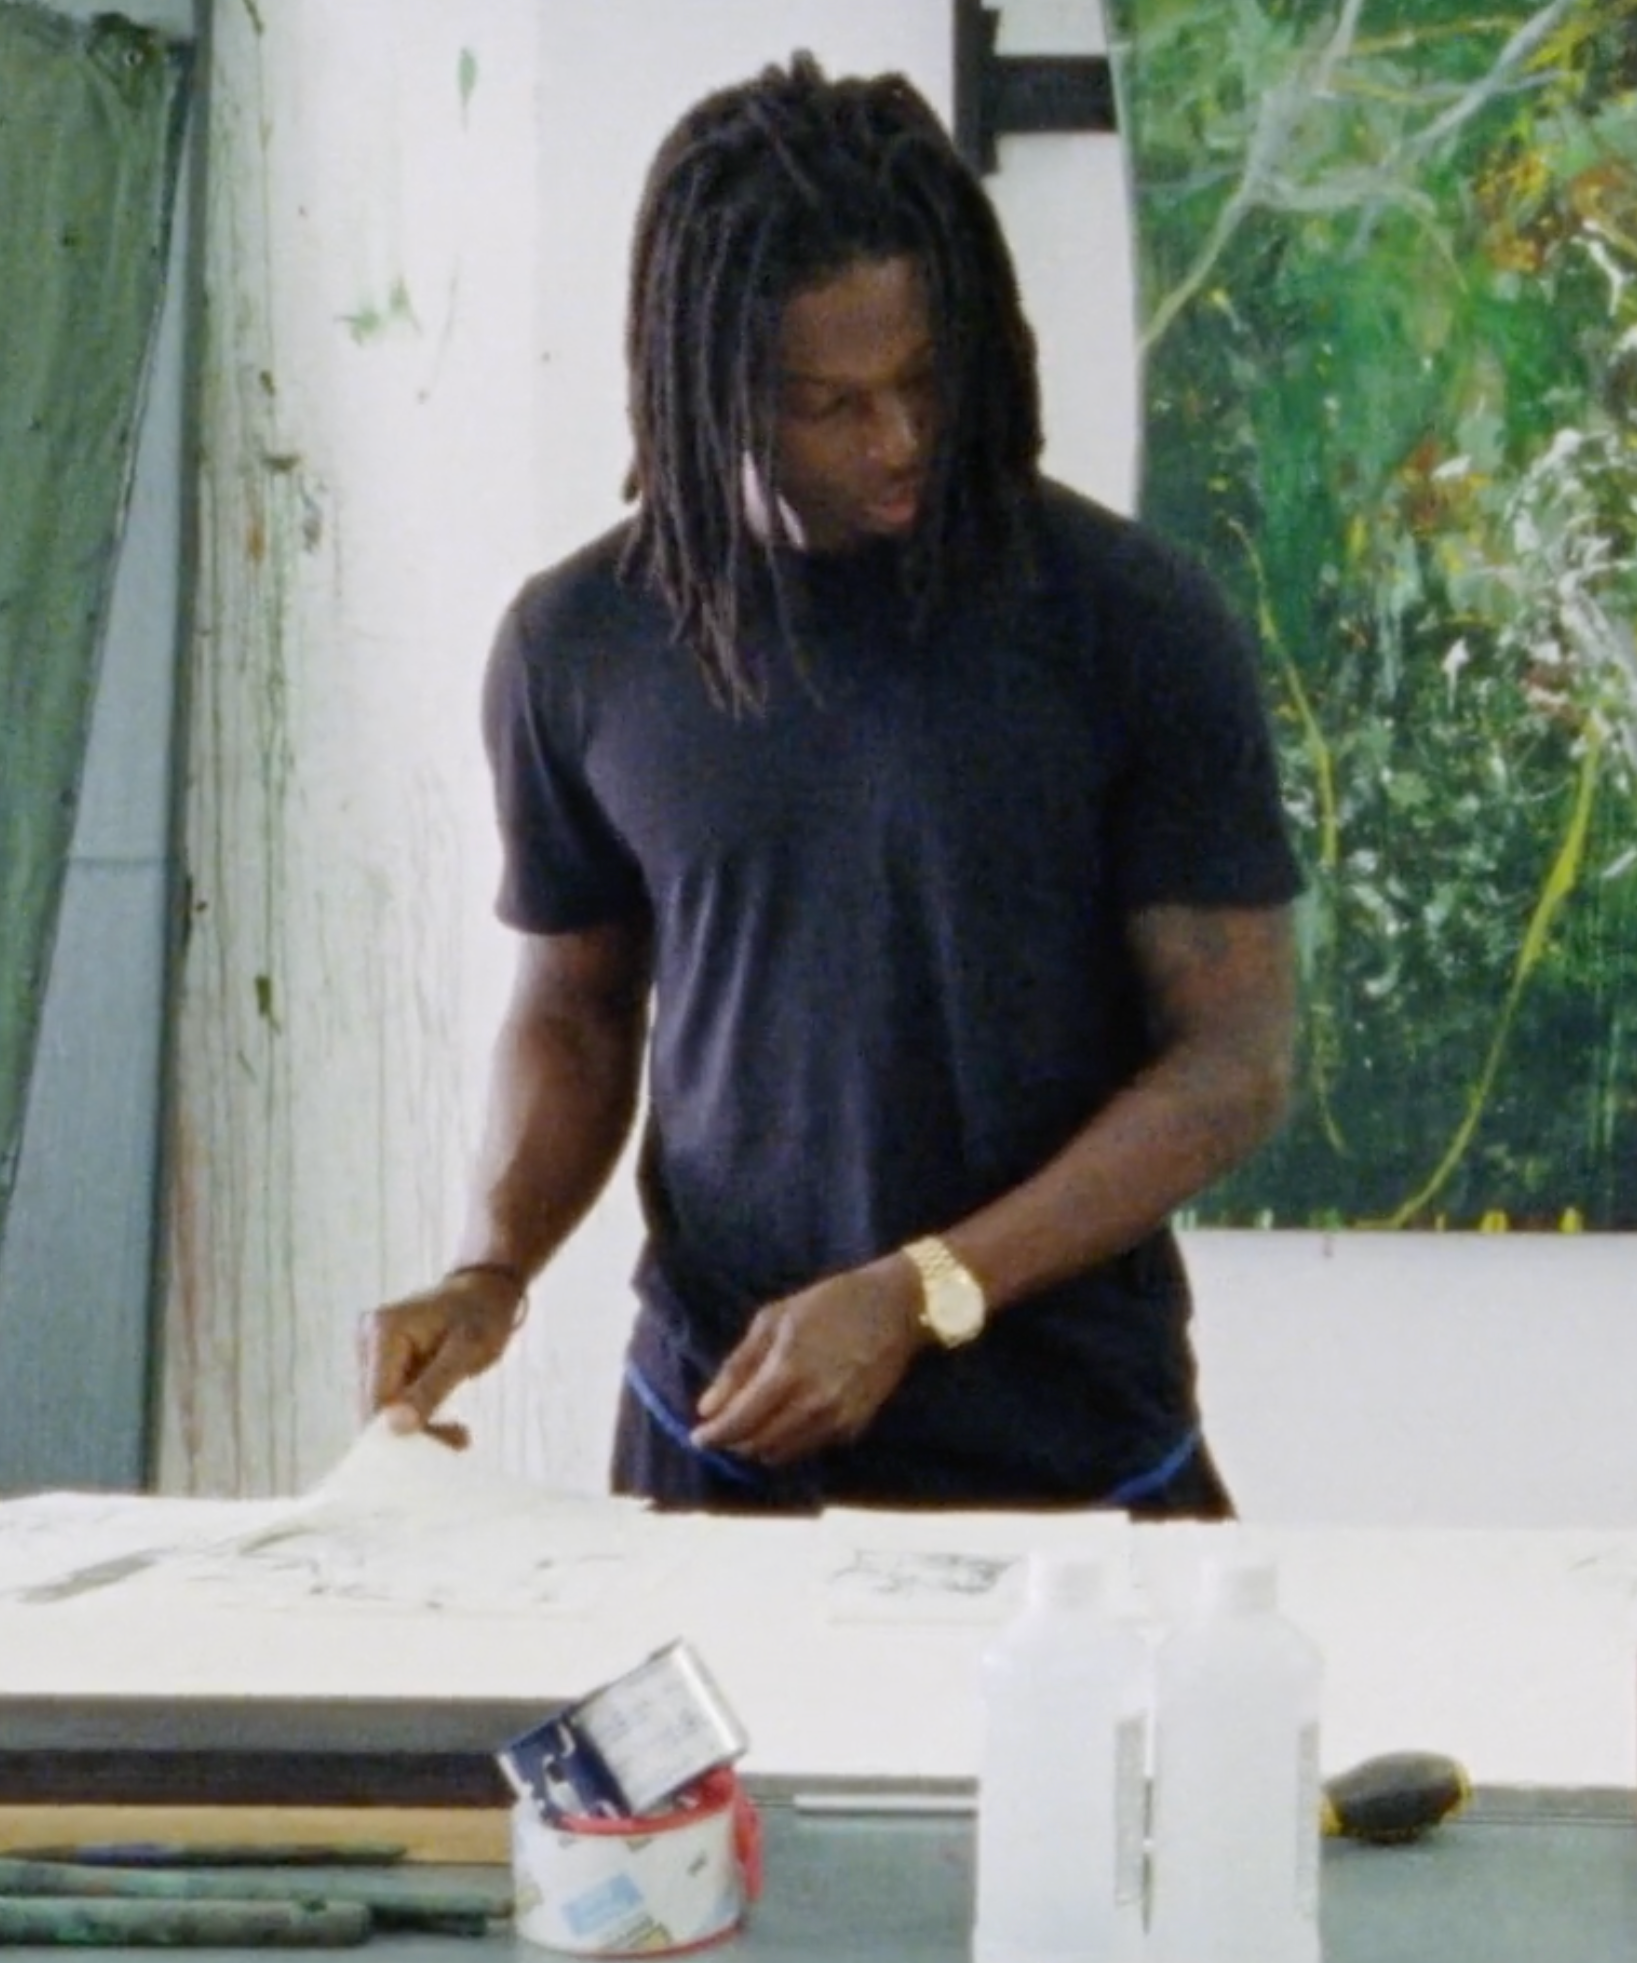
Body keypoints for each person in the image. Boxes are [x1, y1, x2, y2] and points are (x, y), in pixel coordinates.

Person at [359, 53, 1301, 1517]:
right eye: (828, 403)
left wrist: (922, 1291)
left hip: (1078, 1471)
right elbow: (576, 1010)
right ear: (712, 390)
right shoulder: (580, 643)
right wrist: (491, 1270)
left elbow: (1233, 1061)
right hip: (718, 1454)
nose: (900, 438)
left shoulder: (1130, 621)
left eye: (925, 379)